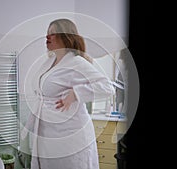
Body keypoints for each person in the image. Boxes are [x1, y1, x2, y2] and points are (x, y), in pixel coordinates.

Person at [22, 18, 115, 169]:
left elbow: (107, 87)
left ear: (65, 36)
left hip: (71, 134)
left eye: (52, 33)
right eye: (47, 33)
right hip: (48, 133)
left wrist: (76, 93)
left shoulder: (77, 62)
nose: (47, 37)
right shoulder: (49, 62)